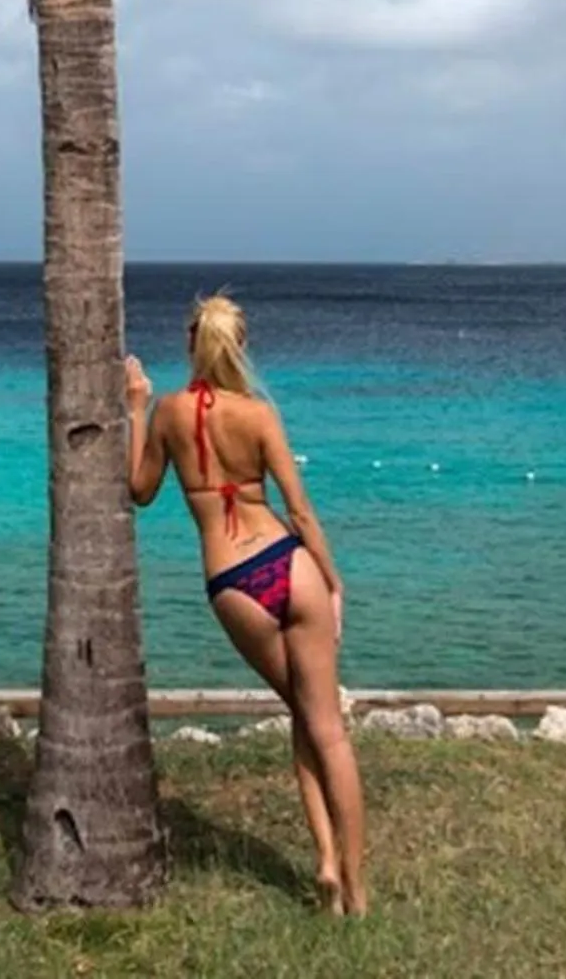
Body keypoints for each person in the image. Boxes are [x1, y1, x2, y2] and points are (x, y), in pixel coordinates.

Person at [125, 291, 368, 916]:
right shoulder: (259, 415)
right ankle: (354, 890)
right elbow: (300, 512)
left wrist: (135, 407)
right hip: (290, 563)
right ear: (240, 346)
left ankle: (326, 861)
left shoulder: (169, 412)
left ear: (191, 344)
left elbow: (139, 491)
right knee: (327, 729)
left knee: (304, 713)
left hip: (234, 579)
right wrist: (334, 582)